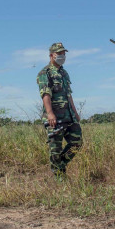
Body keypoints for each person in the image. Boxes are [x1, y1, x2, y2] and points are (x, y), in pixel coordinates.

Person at [37, 42, 83, 179]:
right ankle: (58, 176)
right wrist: (50, 113)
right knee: (55, 149)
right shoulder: (45, 73)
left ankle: (59, 167)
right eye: (59, 54)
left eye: (64, 53)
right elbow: (45, 94)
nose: (62, 56)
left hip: (69, 116)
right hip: (55, 117)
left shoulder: (64, 72)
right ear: (52, 55)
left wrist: (75, 113)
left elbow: (69, 94)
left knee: (77, 143)